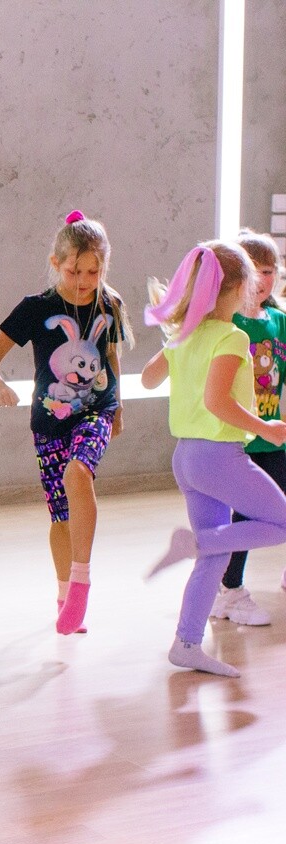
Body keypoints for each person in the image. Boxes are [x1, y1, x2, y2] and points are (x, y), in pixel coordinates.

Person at [0, 211, 132, 634]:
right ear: (56, 263)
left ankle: (81, 582)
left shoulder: (109, 304)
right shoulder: (37, 308)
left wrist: (117, 407)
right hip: (49, 423)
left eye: (93, 272)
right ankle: (64, 595)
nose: (84, 281)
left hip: (96, 412)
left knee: (77, 472)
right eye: (74, 271)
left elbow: (111, 357)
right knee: (60, 516)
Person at [142, 241, 286, 677]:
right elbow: (217, 401)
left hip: (187, 459)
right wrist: (267, 428)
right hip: (218, 457)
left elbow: (147, 379)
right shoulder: (231, 336)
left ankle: (186, 643)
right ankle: (195, 544)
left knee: (215, 556)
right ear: (240, 287)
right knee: (280, 522)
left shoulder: (186, 334)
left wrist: (177, 343)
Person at [216, 230, 286, 626]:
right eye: (253, 271)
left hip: (273, 439)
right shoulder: (227, 321)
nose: (261, 280)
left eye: (269, 271)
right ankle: (229, 589)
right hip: (239, 440)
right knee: (243, 515)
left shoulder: (279, 321)